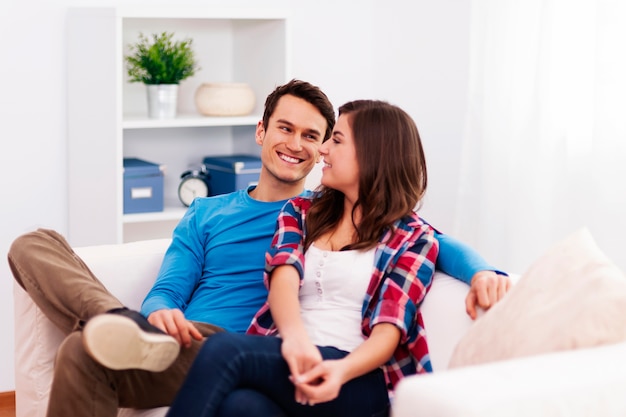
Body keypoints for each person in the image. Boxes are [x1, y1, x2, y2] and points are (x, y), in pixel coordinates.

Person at [8, 80, 509, 417]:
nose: (299, 143)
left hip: (243, 345)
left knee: (84, 344)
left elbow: (428, 243)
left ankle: (107, 324)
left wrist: (485, 269)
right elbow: (169, 285)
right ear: (261, 132)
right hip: (175, 340)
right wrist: (158, 313)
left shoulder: (325, 211)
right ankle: (110, 316)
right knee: (33, 244)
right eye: (285, 129)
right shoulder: (210, 212)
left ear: (322, 151)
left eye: (316, 136)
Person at [165, 99, 442, 417]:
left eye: (336, 140)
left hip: (358, 376)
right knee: (240, 407)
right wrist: (295, 342)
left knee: (224, 350)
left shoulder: (413, 238)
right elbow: (282, 279)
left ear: (372, 154)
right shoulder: (301, 212)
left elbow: (389, 331)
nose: (323, 149)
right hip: (294, 355)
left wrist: (340, 371)